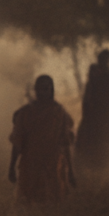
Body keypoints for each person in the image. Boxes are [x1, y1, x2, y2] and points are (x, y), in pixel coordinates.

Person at [9, 75, 75, 203]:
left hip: (53, 163)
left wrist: (71, 172)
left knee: (53, 203)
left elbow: (65, 143)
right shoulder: (25, 113)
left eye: (46, 89)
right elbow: (17, 142)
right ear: (35, 90)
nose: (42, 92)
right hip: (30, 164)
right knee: (30, 204)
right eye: (39, 89)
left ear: (51, 90)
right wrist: (11, 167)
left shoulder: (59, 112)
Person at [75, 50, 109, 174]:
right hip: (96, 114)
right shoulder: (94, 76)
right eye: (101, 59)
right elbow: (87, 99)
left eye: (105, 59)